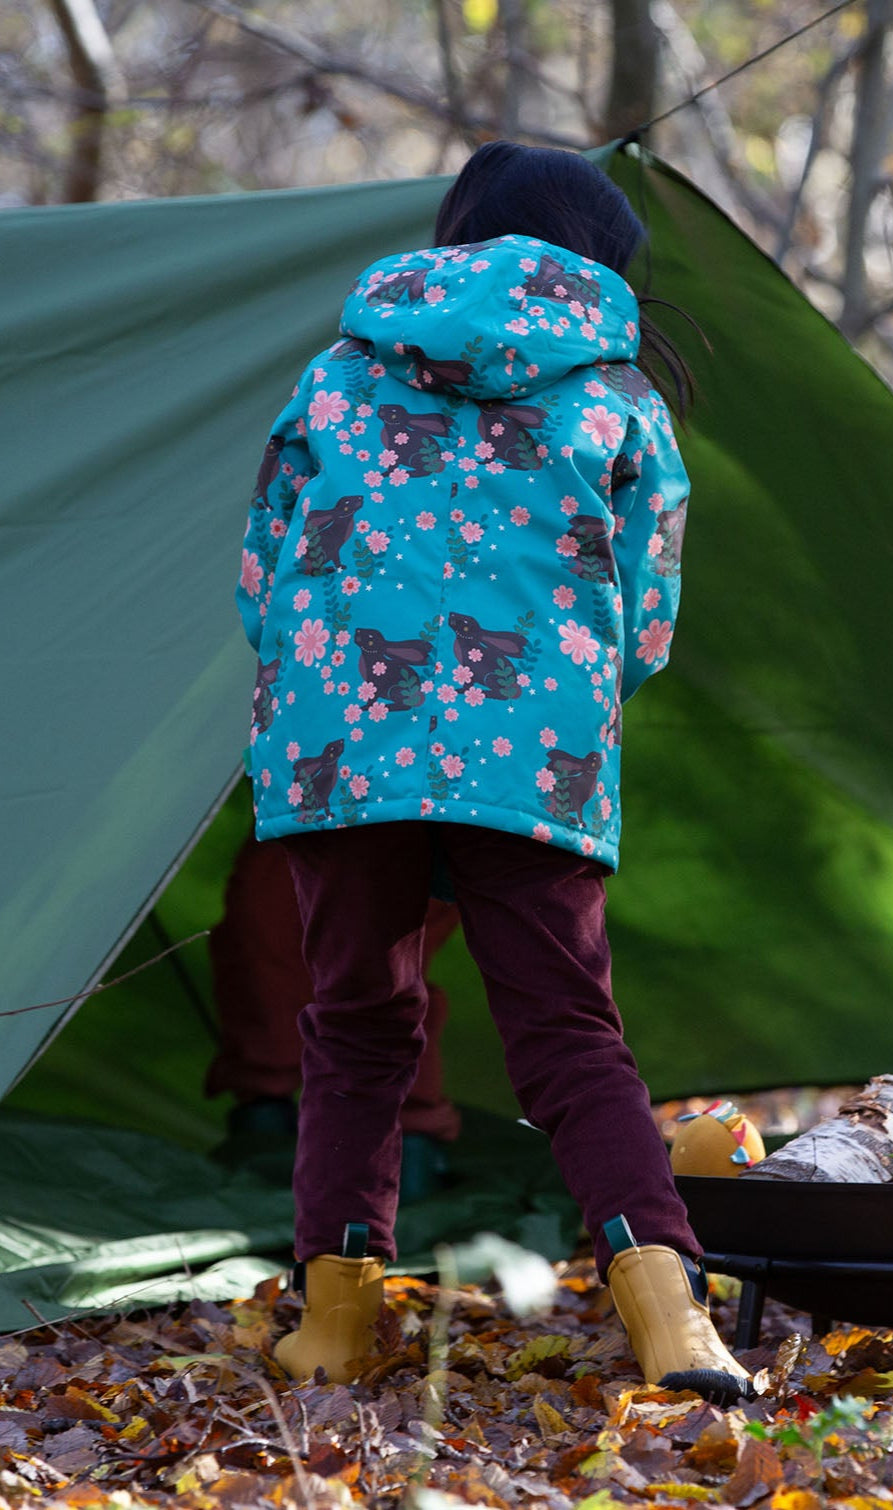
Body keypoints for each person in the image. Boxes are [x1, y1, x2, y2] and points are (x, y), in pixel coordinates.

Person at [235, 140, 751, 1402]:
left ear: (458, 231)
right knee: (568, 1032)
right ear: (601, 262)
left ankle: (334, 1327)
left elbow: (262, 569)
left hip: (340, 747)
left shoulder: (337, 374)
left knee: (355, 1022)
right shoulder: (618, 395)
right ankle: (674, 1324)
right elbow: (646, 619)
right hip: (533, 754)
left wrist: (330, 690)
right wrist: (550, 712)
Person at [205, 826, 461, 1196]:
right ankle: (266, 1123)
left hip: (436, 804)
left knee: (389, 953)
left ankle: (407, 1153)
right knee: (263, 921)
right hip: (305, 805)